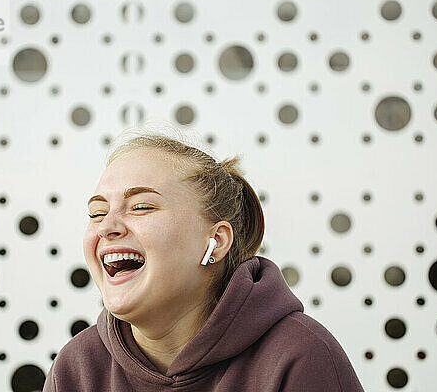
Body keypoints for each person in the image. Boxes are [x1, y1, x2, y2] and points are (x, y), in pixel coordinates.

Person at [43, 120, 365, 391]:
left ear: (216, 240)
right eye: (97, 213)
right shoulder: (75, 369)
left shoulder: (301, 357)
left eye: (141, 207)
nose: (107, 227)